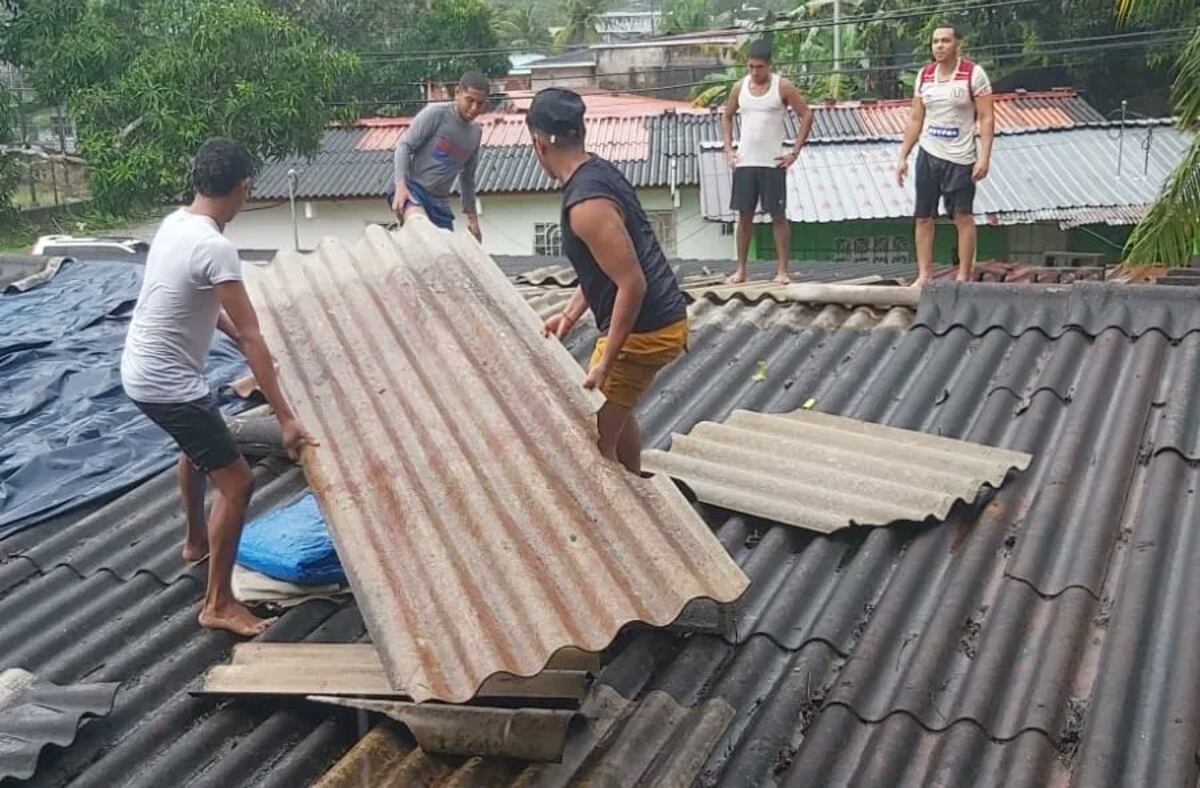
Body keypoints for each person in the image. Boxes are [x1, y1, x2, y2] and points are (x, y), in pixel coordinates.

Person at [121, 138, 316, 637]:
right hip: (170, 385)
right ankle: (219, 602)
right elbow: (253, 338)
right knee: (238, 481)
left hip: (141, 372)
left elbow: (206, 305)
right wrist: (288, 416)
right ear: (244, 188)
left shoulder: (176, 223)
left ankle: (195, 542)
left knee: (198, 447)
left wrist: (228, 331)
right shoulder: (216, 247)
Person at [529, 88, 689, 475]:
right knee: (618, 405)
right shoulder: (596, 171)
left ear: (538, 143)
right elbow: (604, 267)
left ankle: (626, 504)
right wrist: (569, 315)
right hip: (658, 321)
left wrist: (607, 361)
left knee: (595, 440)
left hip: (646, 331)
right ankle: (635, 480)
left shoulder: (586, 206)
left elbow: (632, 285)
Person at [896, 25, 995, 285]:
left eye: (945, 41)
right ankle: (924, 275)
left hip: (961, 157)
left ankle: (963, 275)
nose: (939, 46)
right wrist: (903, 156)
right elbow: (916, 118)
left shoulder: (973, 74)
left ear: (957, 44)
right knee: (923, 217)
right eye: (935, 42)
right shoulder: (924, 76)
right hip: (929, 153)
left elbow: (986, 117)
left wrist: (984, 156)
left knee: (962, 216)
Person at [721, 40, 814, 285]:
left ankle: (782, 270)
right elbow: (727, 116)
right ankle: (741, 269)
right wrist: (729, 150)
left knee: (778, 216)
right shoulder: (739, 88)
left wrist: (794, 152)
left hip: (773, 162)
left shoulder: (782, 87)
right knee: (744, 216)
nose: (754, 72)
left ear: (769, 65)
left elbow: (806, 115)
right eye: (750, 67)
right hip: (745, 162)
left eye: (759, 67)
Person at [387, 71, 488, 242]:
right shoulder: (436, 114)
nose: (474, 108)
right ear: (458, 93)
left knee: (445, 253)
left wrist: (473, 221)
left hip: (440, 202)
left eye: (480, 104)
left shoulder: (475, 133)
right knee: (422, 232)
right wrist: (401, 186)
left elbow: (467, 179)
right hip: (413, 189)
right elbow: (404, 146)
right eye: (469, 101)